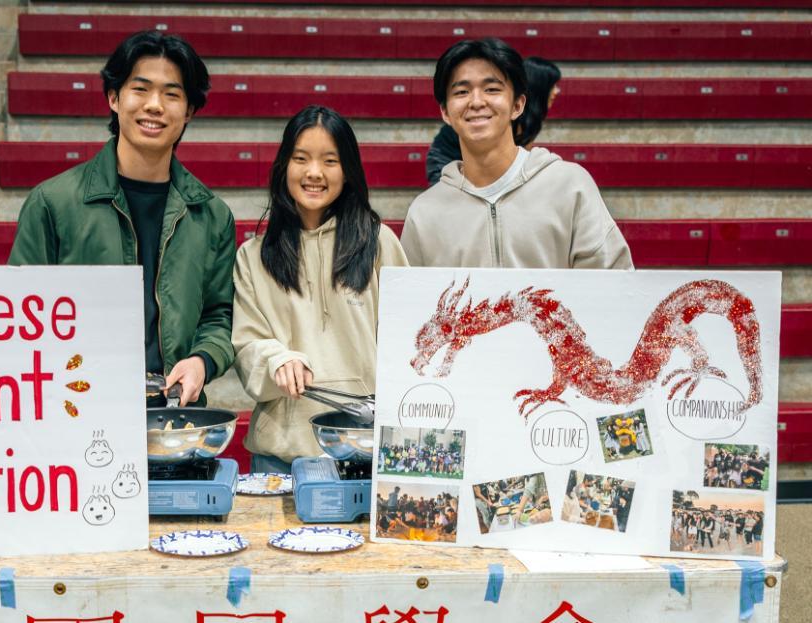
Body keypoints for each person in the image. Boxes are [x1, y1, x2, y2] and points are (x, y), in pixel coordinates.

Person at [9, 31, 235, 407]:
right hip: (76, 410)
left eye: (172, 94)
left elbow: (218, 316)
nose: (155, 106)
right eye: (141, 89)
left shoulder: (211, 215)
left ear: (190, 110)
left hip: (174, 413)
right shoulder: (53, 203)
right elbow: (19, 317)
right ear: (114, 98)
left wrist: (202, 361)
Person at [232, 105, 409, 473]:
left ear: (348, 171)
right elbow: (247, 344)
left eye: (330, 161)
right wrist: (277, 358)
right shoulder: (254, 256)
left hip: (366, 448)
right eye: (301, 159)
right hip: (280, 456)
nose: (314, 173)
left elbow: (408, 342)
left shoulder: (378, 243)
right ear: (284, 167)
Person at [401, 38, 632, 270]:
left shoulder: (570, 187)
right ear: (445, 112)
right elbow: (412, 301)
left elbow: (613, 288)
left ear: (518, 105)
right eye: (462, 91)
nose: (477, 101)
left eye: (492, 89)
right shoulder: (424, 214)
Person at [425, 56, 562, 185]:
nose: (557, 91)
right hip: (445, 159)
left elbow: (521, 161)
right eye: (553, 85)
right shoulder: (508, 113)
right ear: (541, 87)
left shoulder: (530, 117)